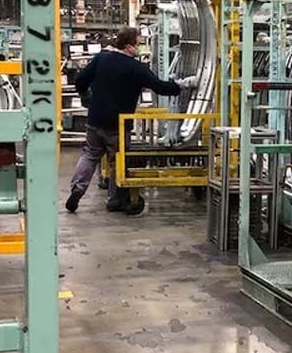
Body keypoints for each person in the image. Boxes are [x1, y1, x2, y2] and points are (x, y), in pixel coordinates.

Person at [65, 27, 197, 215]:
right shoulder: (136, 68)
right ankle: (115, 200)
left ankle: (78, 189)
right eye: (138, 43)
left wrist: (86, 95)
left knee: (90, 155)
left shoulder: (101, 59)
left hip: (95, 120)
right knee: (118, 161)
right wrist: (183, 84)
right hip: (118, 126)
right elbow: (160, 87)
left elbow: (81, 80)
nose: (140, 47)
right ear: (128, 46)